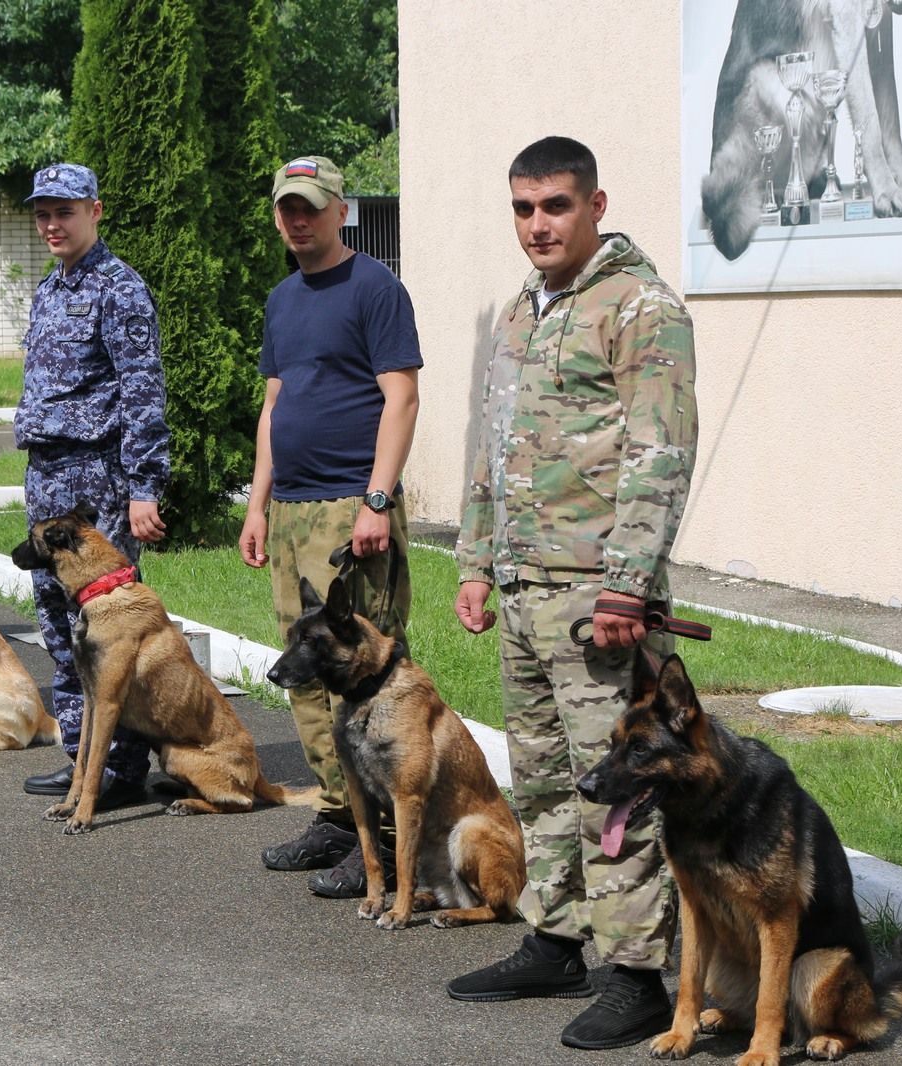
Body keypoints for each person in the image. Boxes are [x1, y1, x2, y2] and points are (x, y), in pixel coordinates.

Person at [443, 136, 698, 1053]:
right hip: (522, 586)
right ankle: (554, 935)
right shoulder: (524, 309)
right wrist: (474, 562)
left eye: (555, 205)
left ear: (596, 204)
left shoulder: (641, 307)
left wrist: (628, 585)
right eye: (523, 208)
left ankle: (634, 970)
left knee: (617, 790)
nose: (537, 224)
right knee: (544, 773)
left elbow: (659, 454)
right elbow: (493, 443)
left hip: (598, 597)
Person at [238, 155, 421, 898]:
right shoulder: (283, 298)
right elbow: (275, 405)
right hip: (291, 510)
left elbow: (401, 398)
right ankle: (340, 819)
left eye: (311, 205)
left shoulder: (375, 288)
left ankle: (381, 834)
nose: (298, 218)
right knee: (305, 676)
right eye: (287, 207)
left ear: (340, 209)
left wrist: (376, 501)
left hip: (351, 508)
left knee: (364, 678)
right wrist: (257, 503)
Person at [14, 162, 169, 809]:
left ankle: (120, 770)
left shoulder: (119, 288)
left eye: (65, 211)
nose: (53, 223)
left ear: (95, 211)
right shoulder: (51, 288)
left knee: (107, 628)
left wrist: (144, 486)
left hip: (98, 476)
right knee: (58, 623)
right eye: (44, 213)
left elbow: (142, 390)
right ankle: (84, 757)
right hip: (47, 472)